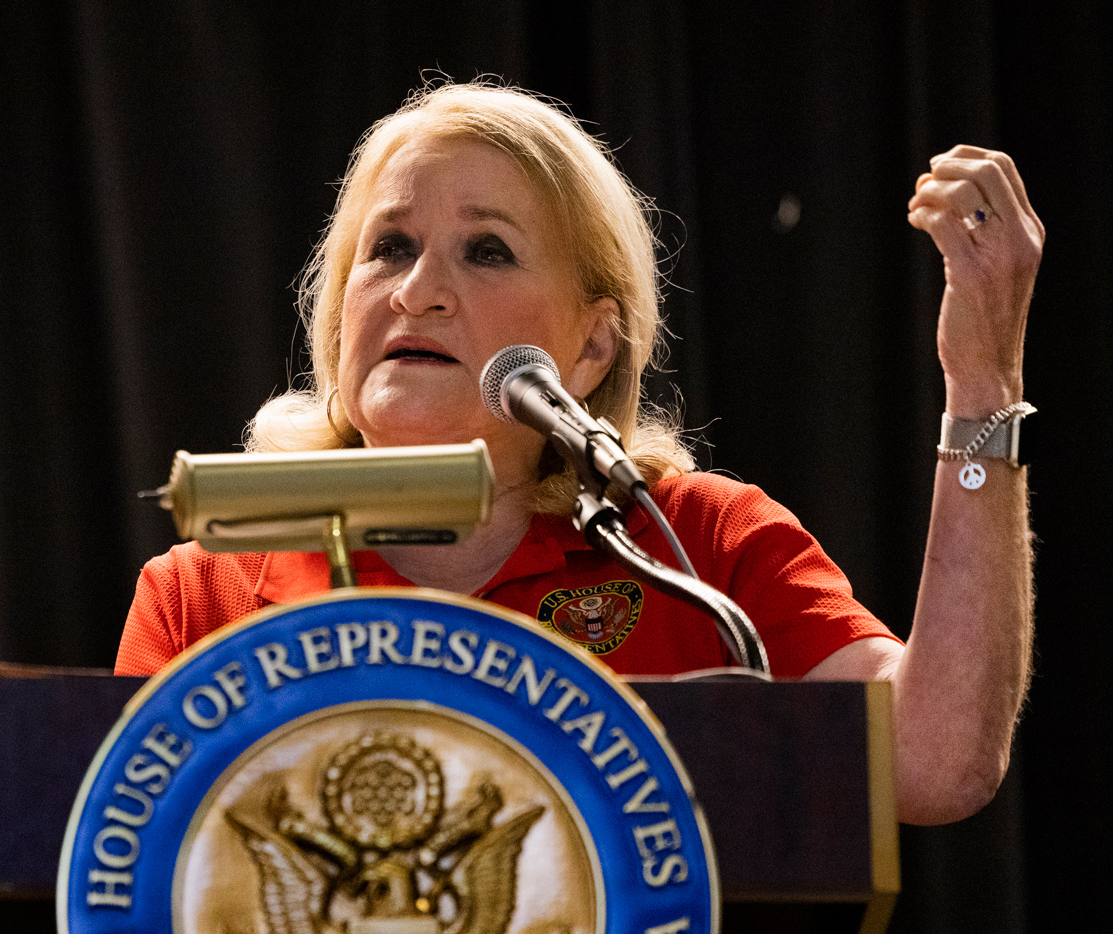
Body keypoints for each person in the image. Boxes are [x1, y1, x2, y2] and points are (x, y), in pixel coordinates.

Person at [116, 82, 1042, 826]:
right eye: (389, 247)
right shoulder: (205, 590)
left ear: (591, 348)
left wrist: (983, 384)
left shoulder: (697, 548)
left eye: (486, 250)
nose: (418, 292)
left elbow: (934, 763)